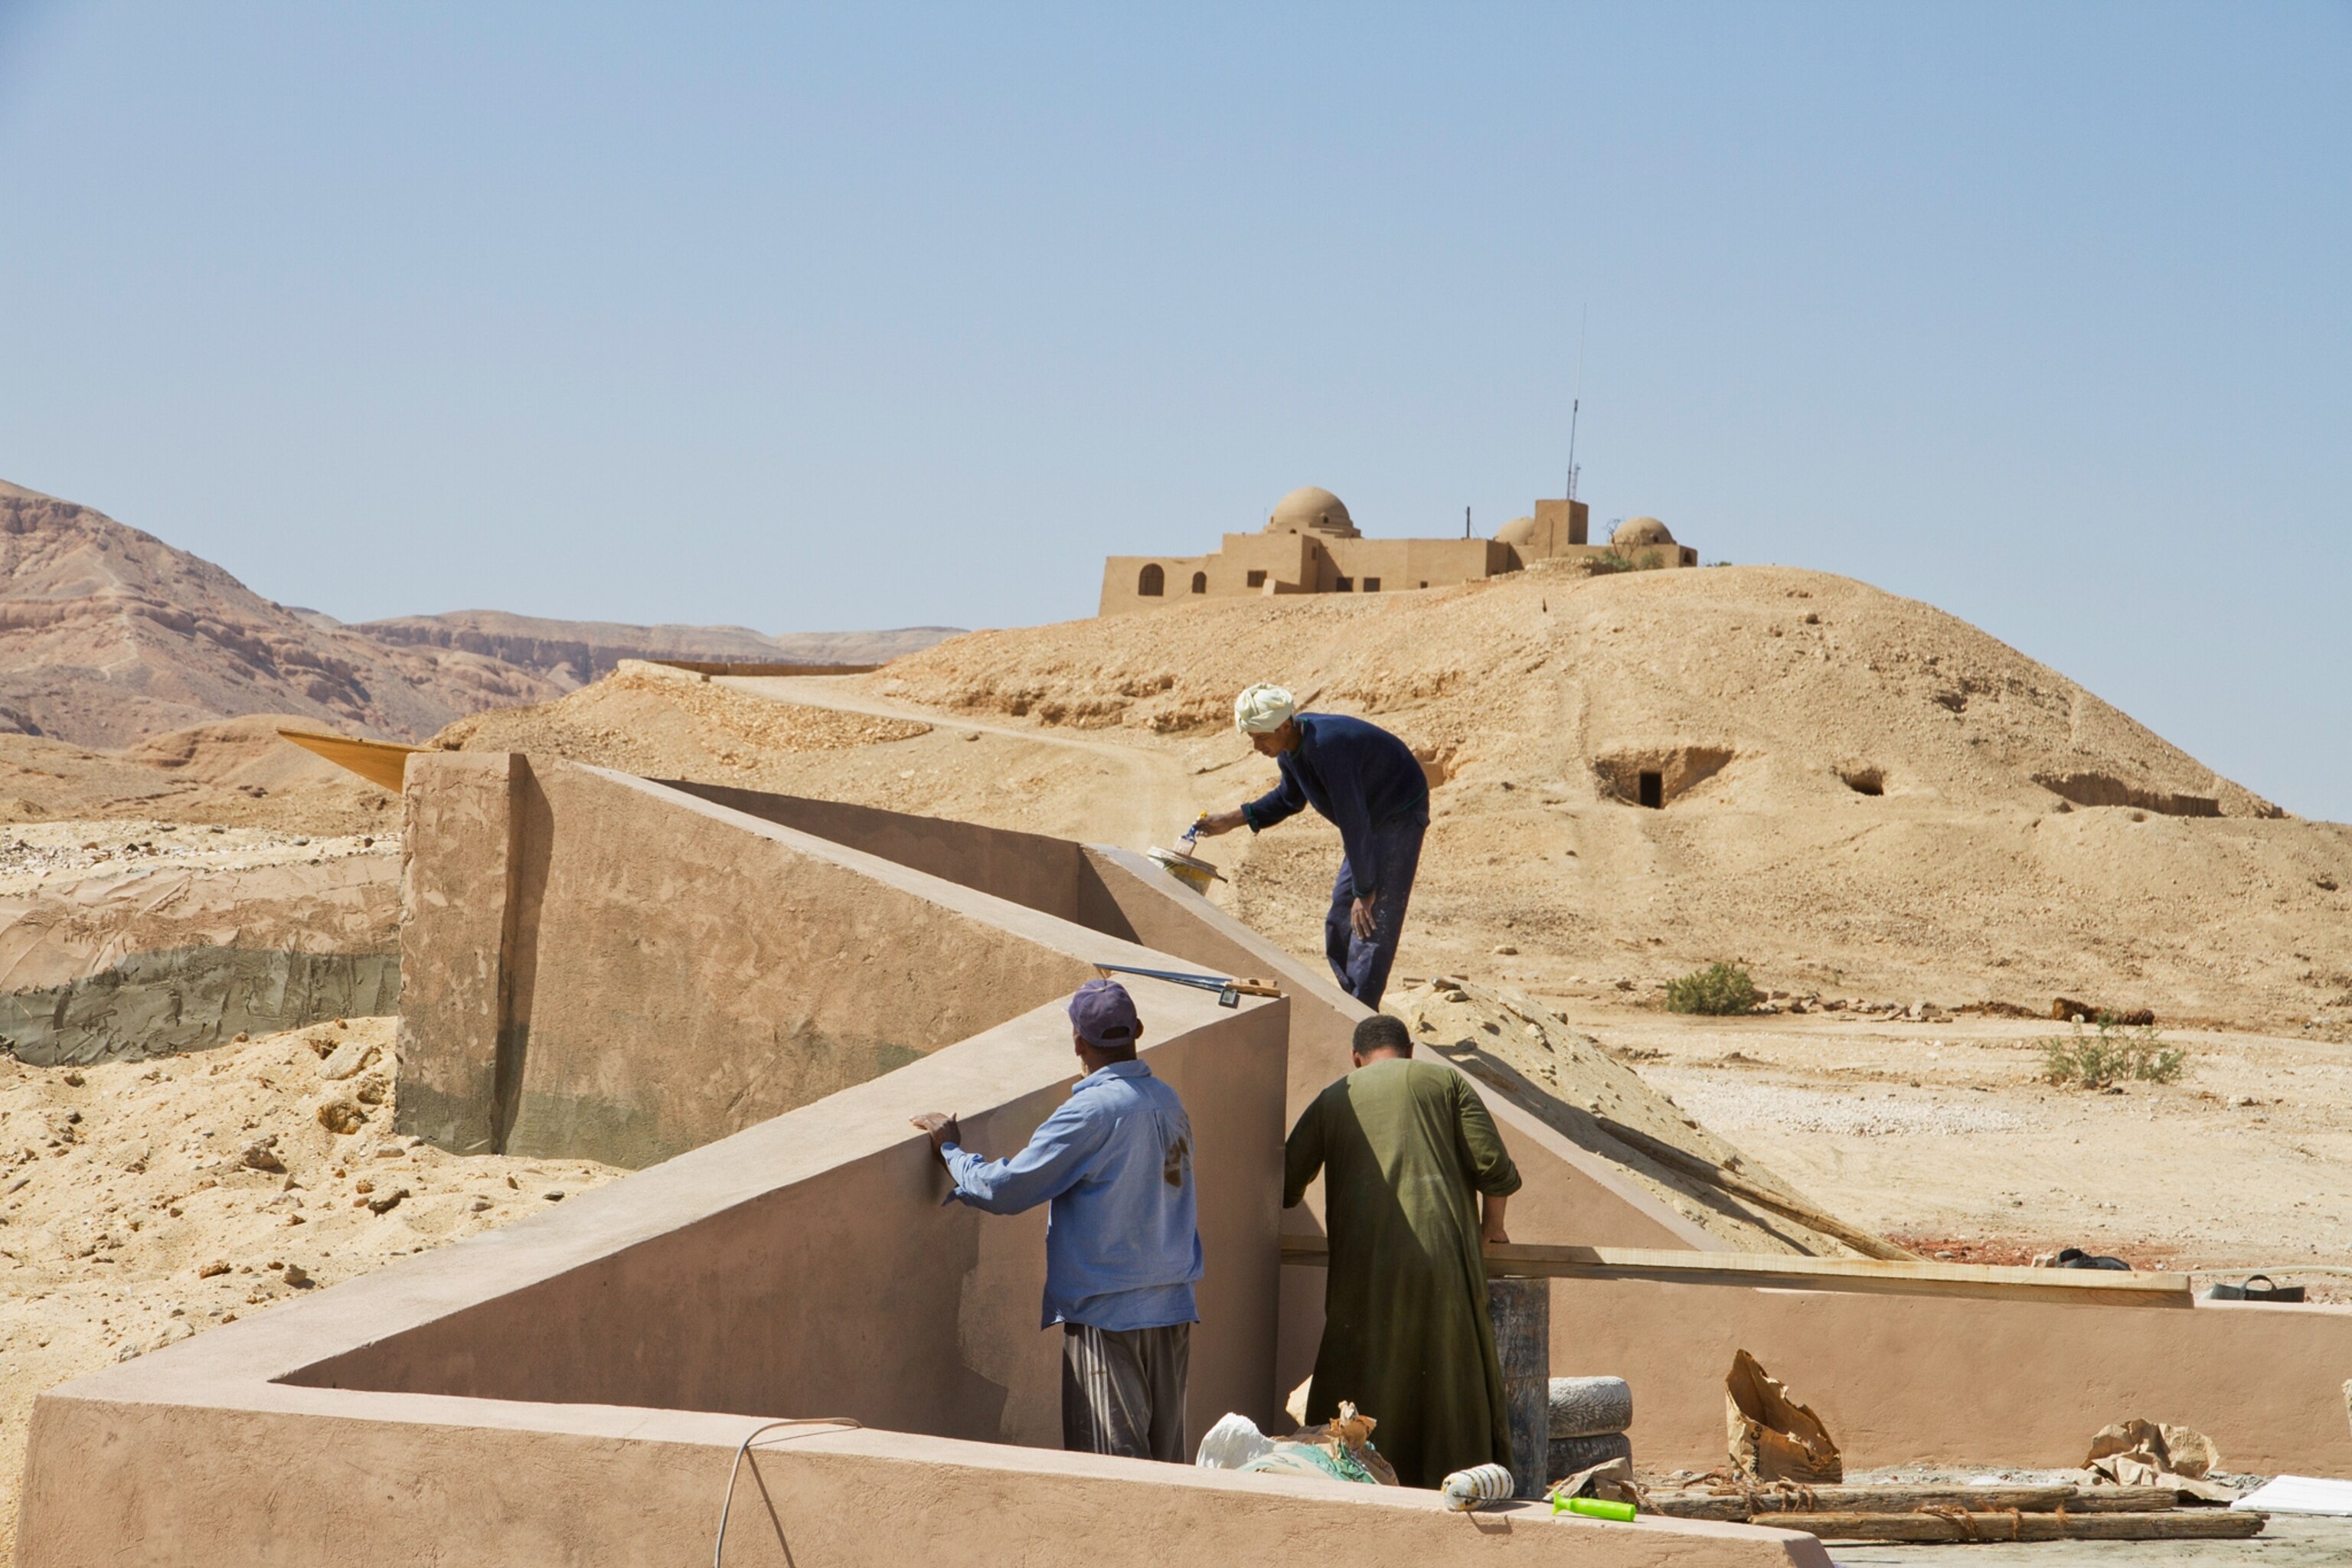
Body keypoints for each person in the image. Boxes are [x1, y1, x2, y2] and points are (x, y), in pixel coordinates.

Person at [910, 978, 1201, 1462]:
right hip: (1172, 1309)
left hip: (1107, 1316)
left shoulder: (1091, 1111)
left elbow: (1005, 1190)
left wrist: (951, 1152)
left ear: (1078, 1043)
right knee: (1164, 1472)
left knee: (1112, 1474)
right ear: (1138, 1031)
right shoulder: (1168, 1101)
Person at [1282, 1012, 1521, 1489]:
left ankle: (1362, 1479)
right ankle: (1458, 1484)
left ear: (1356, 1058)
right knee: (1449, 1376)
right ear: (1411, 1052)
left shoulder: (1335, 1097)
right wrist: (1491, 1229)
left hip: (1363, 1270)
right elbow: (1494, 1168)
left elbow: (1286, 1184)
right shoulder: (1447, 1082)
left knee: (1362, 1373)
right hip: (1446, 1261)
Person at [1192, 683, 1429, 1006]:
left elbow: (1353, 820)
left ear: (1284, 725)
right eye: (1252, 738)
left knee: (1370, 920)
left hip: (1398, 813)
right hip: (1368, 821)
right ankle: (1350, 1006)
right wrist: (1231, 820)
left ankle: (1362, 1013)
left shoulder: (1327, 747)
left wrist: (1365, 891)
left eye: (1260, 737)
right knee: (1340, 917)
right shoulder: (1292, 750)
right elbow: (1289, 799)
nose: (1256, 746)